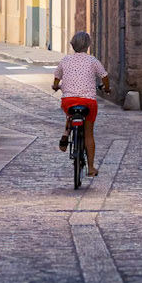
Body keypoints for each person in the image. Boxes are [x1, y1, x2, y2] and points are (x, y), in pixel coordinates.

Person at [51, 30, 110, 176]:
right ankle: (90, 168)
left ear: (73, 45)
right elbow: (104, 76)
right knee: (88, 134)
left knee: (70, 112)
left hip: (69, 101)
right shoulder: (93, 61)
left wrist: (56, 86)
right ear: (88, 45)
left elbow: (57, 78)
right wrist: (106, 88)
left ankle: (66, 131)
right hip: (88, 102)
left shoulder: (65, 60)